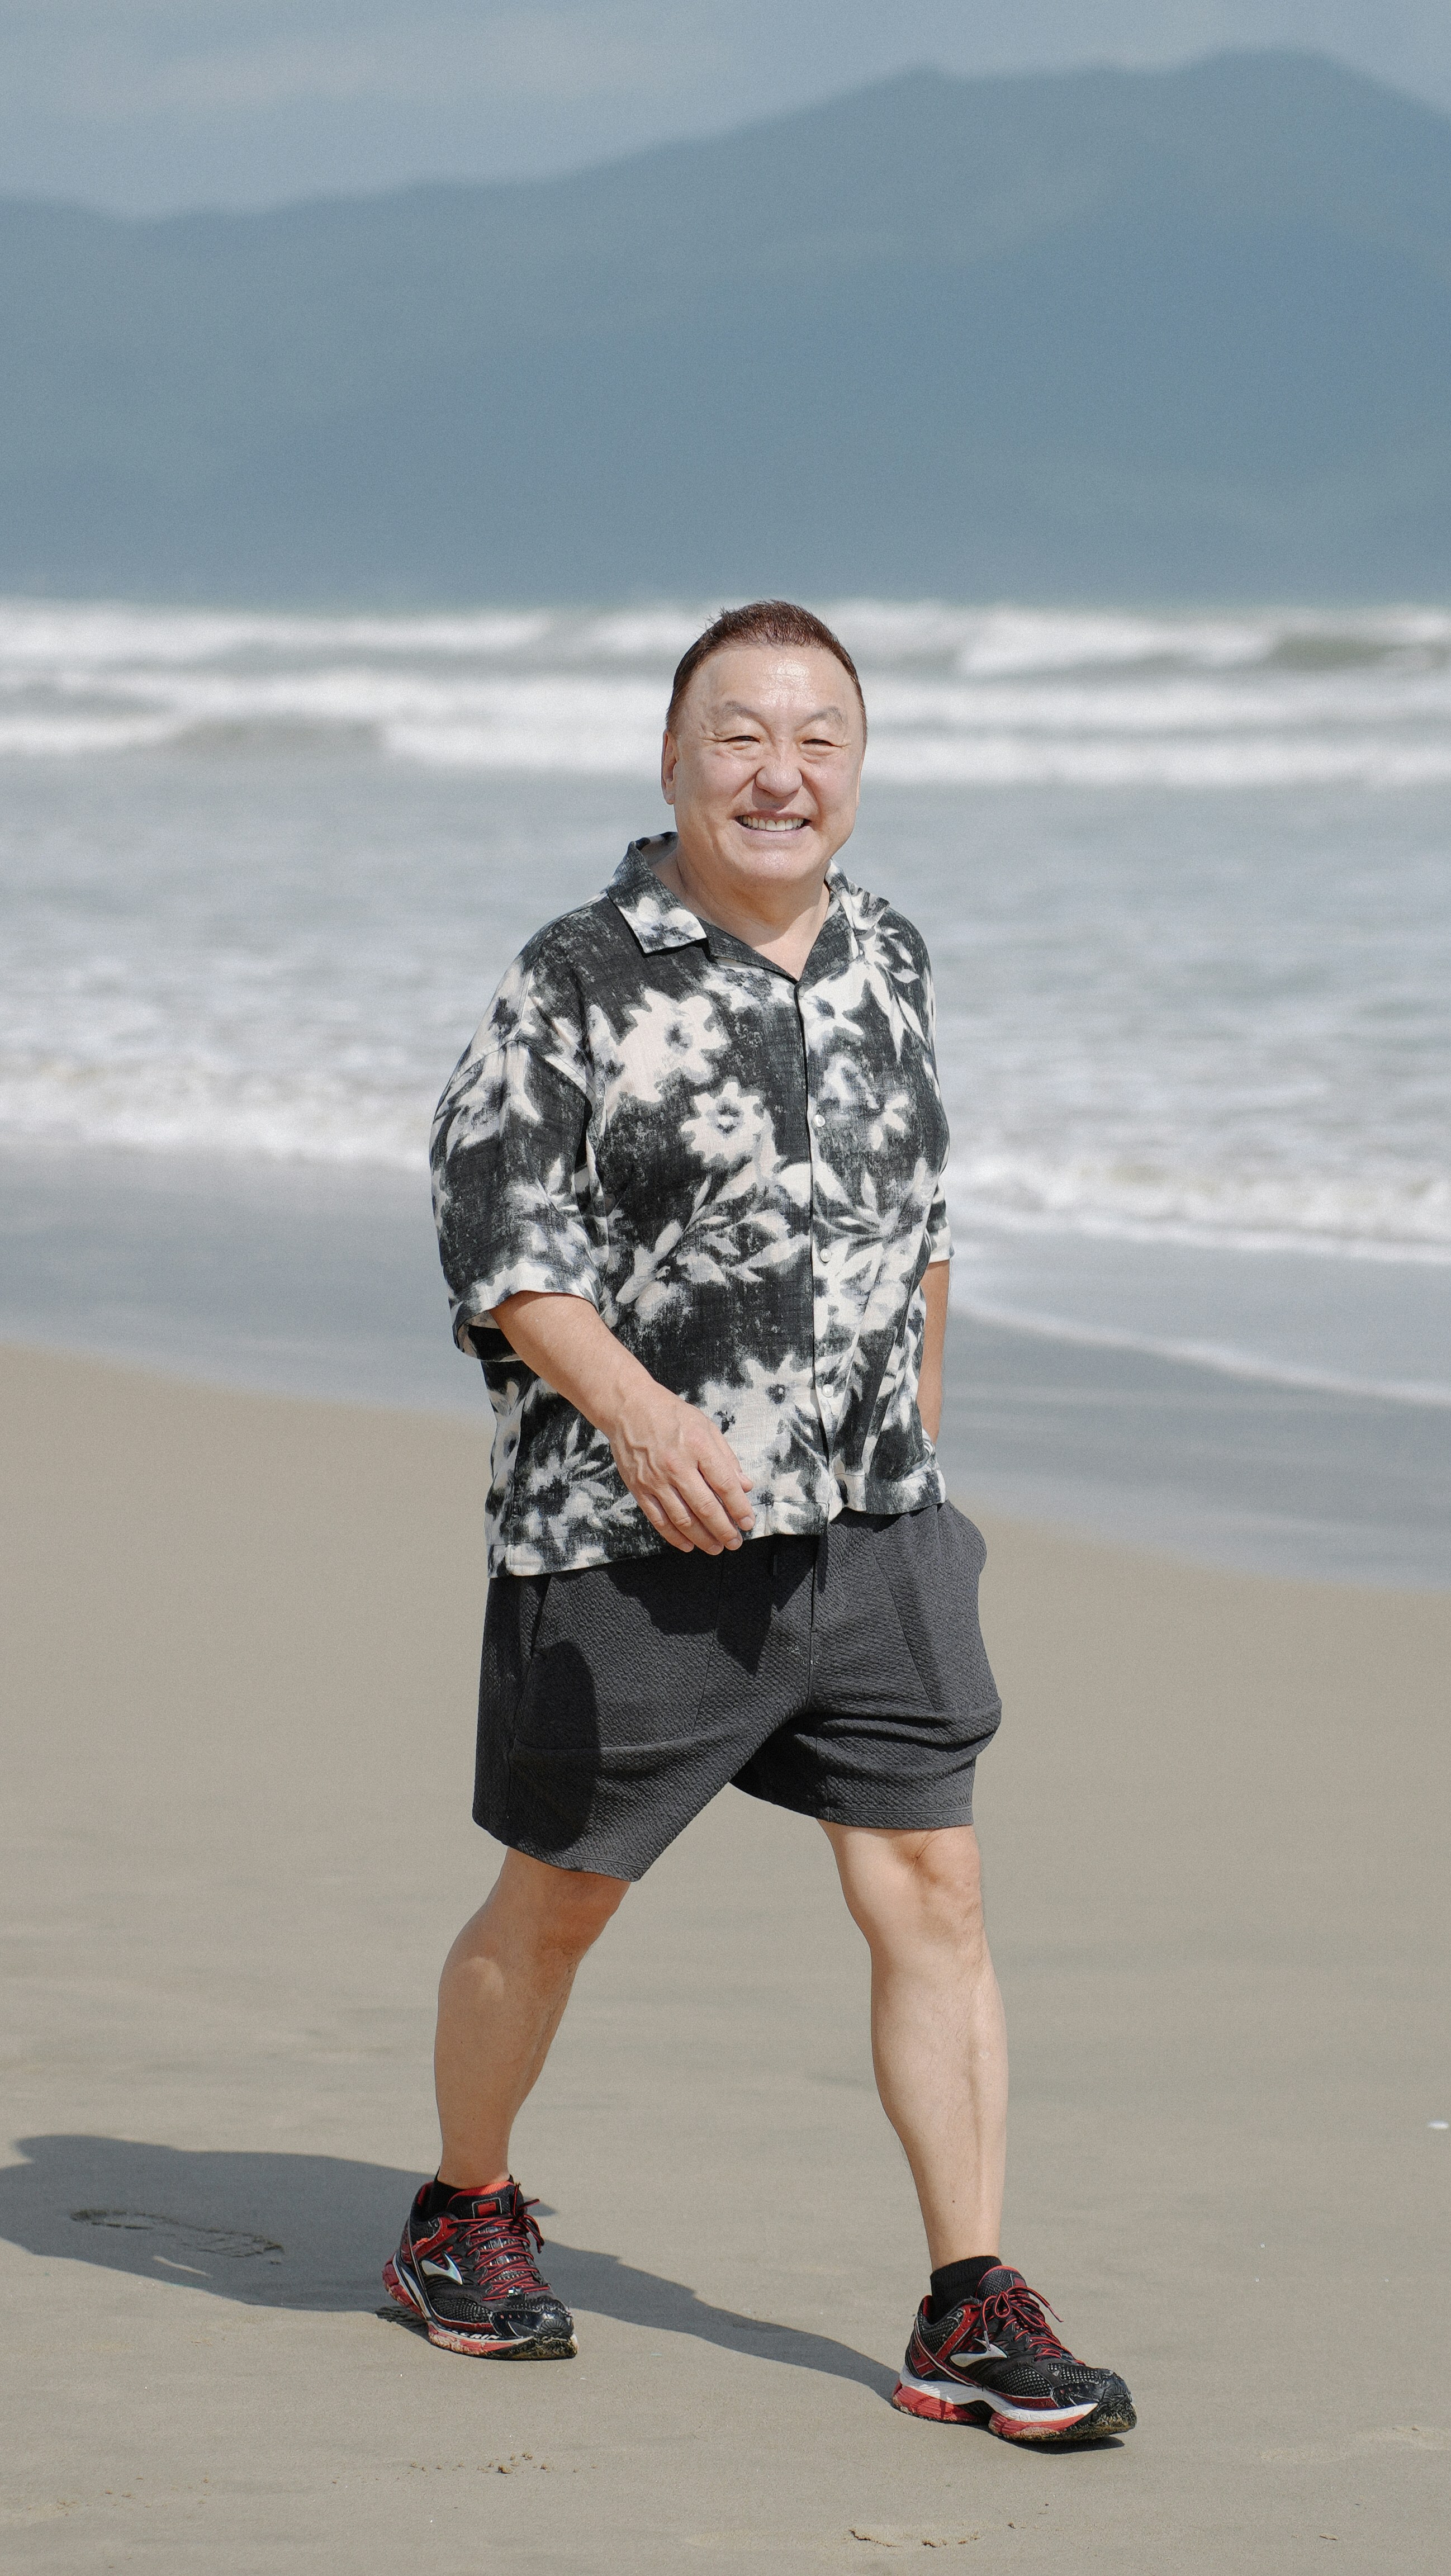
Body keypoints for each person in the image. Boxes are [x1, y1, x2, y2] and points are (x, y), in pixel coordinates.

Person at [382, 600, 1134, 2445]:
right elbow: (499, 1244)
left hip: (876, 1535)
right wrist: (641, 1417)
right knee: (560, 1899)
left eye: (820, 738)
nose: (779, 771)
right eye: (739, 734)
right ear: (671, 761)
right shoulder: (577, 972)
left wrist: (927, 1469)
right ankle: (460, 2210)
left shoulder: (893, 958)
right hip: (642, 1540)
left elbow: (924, 1230)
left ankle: (970, 2302)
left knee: (934, 1892)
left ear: (858, 775)